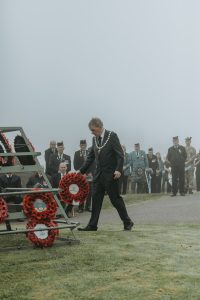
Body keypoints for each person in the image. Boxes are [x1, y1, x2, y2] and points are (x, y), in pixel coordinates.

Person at [78, 117, 134, 231]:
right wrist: (80, 171)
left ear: (99, 127)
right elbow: (91, 157)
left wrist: (118, 170)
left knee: (115, 200)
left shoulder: (112, 136)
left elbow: (120, 155)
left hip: (111, 175)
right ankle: (92, 225)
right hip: (98, 176)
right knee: (96, 200)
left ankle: (127, 222)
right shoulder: (95, 140)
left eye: (93, 130)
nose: (92, 132)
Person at [73, 140, 94, 212]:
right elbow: (75, 165)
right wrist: (82, 172)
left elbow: (92, 163)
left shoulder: (90, 152)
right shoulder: (76, 153)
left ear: (86, 145)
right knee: (81, 191)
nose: (83, 146)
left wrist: (89, 172)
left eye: (84, 145)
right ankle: (81, 207)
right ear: (80, 146)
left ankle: (88, 206)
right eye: (81, 145)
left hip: (89, 175)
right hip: (81, 175)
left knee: (89, 191)